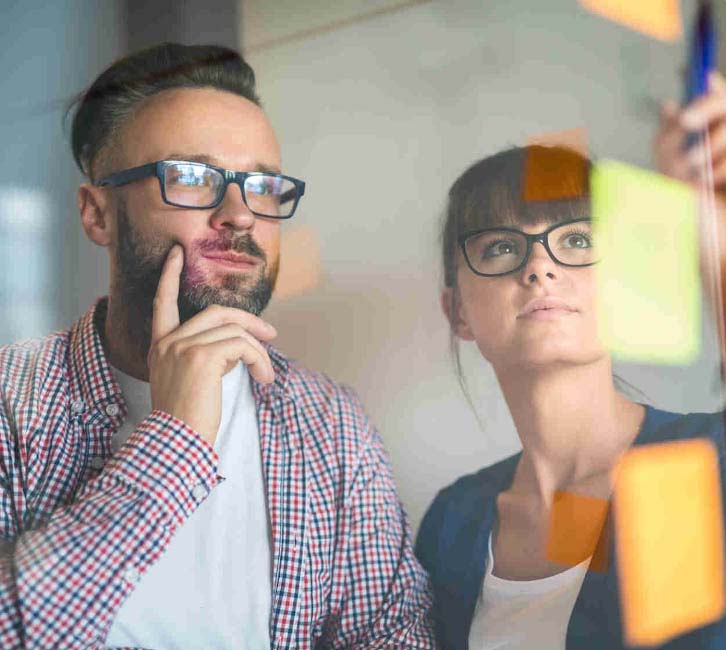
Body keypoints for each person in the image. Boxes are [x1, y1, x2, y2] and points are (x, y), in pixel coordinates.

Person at [415, 72, 726, 648]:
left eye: (578, 239)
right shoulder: (452, 521)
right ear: (457, 312)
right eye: (500, 247)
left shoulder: (720, 465)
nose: (540, 267)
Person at [0, 43, 434, 649]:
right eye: (191, 178)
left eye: (262, 185)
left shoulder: (330, 423)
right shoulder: (10, 403)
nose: (240, 214)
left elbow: (390, 635)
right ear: (97, 214)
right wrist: (175, 439)